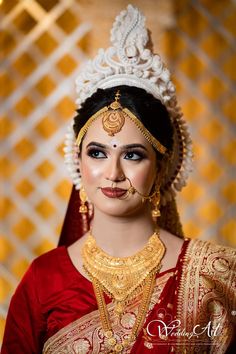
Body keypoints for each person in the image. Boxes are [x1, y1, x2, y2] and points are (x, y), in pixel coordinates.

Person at [2, 5, 235, 354]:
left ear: (163, 164)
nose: (112, 172)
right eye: (97, 153)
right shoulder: (43, 279)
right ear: (76, 159)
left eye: (133, 154)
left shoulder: (216, 275)